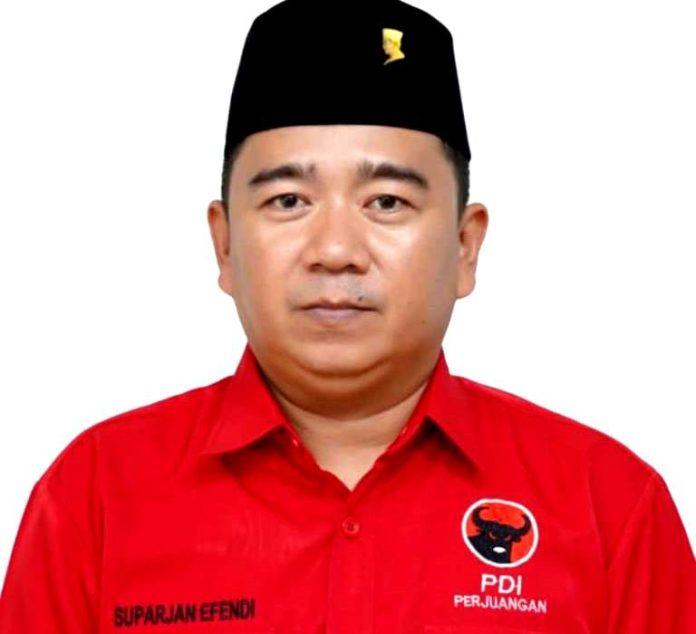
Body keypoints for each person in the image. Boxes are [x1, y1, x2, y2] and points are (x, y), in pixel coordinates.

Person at [1, 0, 694, 632]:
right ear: (225, 245)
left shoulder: (610, 508)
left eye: (387, 202)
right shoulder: (95, 497)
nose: (335, 251)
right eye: (288, 201)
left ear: (464, 246)